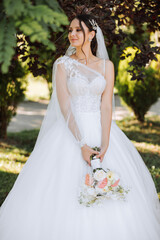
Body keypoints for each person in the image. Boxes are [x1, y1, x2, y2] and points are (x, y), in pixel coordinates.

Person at [0, 13, 160, 240]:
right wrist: (82, 144)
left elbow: (106, 106)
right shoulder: (62, 64)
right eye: (70, 30)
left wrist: (105, 143)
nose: (72, 35)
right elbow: (65, 107)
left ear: (92, 35)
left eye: (78, 30)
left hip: (102, 129)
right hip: (70, 131)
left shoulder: (107, 66)